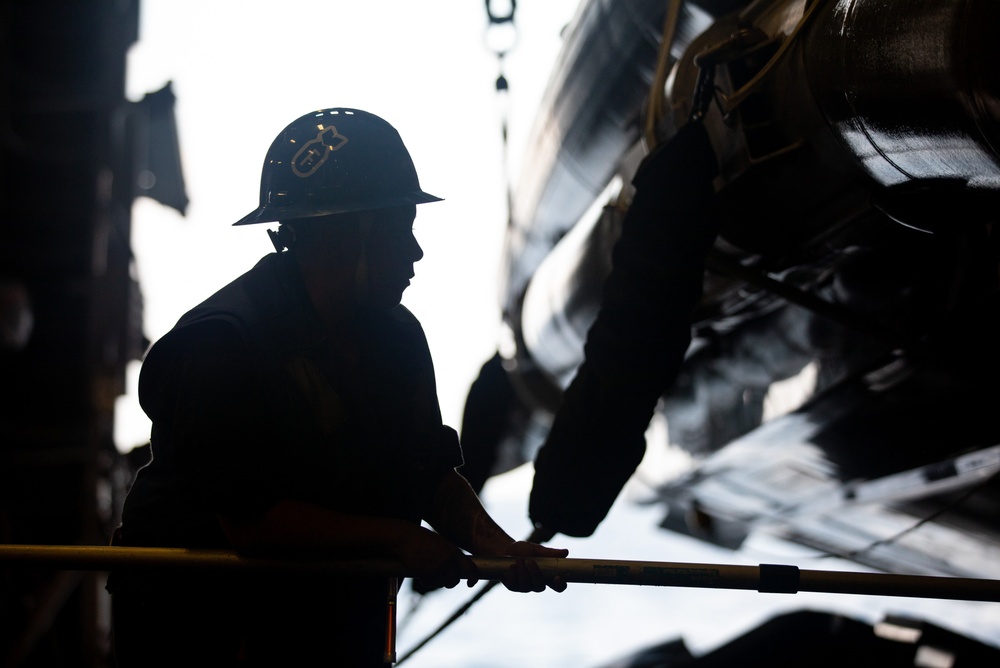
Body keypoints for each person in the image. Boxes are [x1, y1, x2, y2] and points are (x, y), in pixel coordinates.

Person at [108, 107, 568, 667]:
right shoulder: (221, 345)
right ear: (349, 235)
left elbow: (428, 476)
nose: (416, 253)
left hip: (326, 629)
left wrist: (500, 548)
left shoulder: (396, 336)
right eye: (402, 229)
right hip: (202, 635)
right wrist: (401, 541)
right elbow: (255, 523)